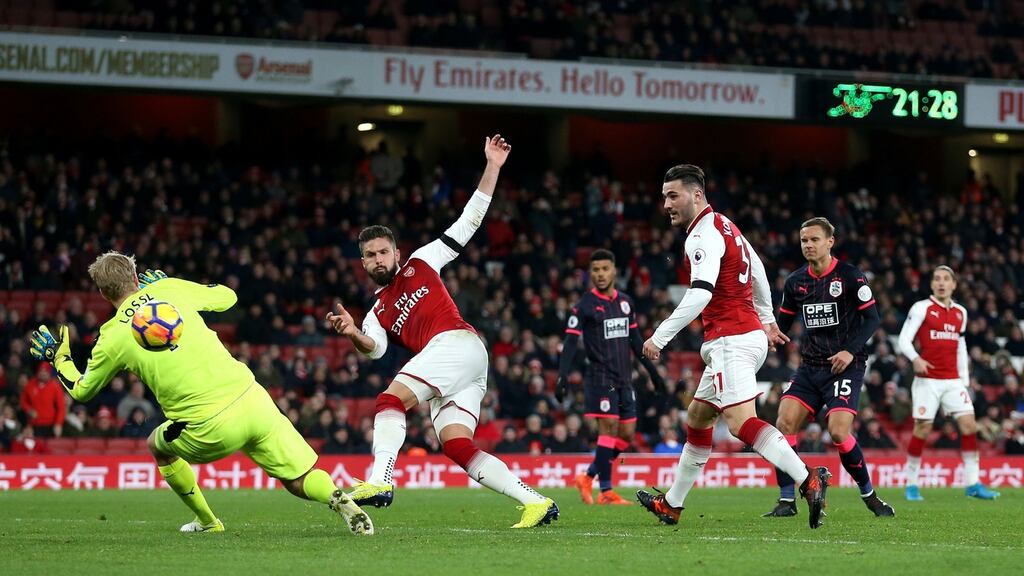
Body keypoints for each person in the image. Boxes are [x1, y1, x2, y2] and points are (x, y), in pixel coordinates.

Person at [29, 253, 373, 535]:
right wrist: (169, 281)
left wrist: (59, 357)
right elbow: (229, 297)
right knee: (298, 478)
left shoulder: (111, 337)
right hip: (252, 398)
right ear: (137, 277)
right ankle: (338, 498)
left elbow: (83, 390)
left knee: (156, 445)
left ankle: (209, 522)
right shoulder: (169, 288)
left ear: (104, 295)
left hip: (208, 427)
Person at [326, 135, 558, 529]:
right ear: (362, 262)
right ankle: (536, 502)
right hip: (461, 366)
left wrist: (493, 167)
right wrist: (351, 332)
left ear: (397, 252)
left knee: (388, 401)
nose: (379, 259)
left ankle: (380, 481)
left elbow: (468, 221)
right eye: (370, 255)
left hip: (456, 343)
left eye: (384, 251)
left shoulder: (422, 261)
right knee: (456, 445)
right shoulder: (375, 313)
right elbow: (374, 349)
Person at [635, 164, 830, 530]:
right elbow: (756, 268)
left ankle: (808, 478)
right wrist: (768, 319)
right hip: (744, 335)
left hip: (731, 339)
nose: (666, 205)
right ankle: (672, 504)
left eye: (673, 196)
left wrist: (659, 336)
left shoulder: (702, 235)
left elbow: (701, 292)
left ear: (696, 195)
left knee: (741, 424)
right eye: (664, 197)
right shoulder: (726, 225)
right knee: (698, 417)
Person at [763, 217, 894, 519]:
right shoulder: (796, 282)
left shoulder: (850, 276)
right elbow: (783, 323)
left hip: (845, 366)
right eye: (804, 240)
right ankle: (787, 500)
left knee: (837, 431)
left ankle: (870, 496)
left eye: (814, 240)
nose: (808, 245)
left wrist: (849, 351)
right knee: (783, 425)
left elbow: (872, 319)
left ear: (830, 242)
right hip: (810, 367)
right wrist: (769, 335)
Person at [556, 249, 665, 505]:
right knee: (608, 429)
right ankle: (606, 491)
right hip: (600, 378)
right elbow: (570, 343)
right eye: (595, 270)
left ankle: (588, 476)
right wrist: (562, 376)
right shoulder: (583, 306)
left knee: (626, 434)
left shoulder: (625, 302)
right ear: (589, 274)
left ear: (614, 270)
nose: (600, 274)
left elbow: (635, 341)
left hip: (624, 379)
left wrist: (653, 373)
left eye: (605, 269)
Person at [897, 266, 1000, 500]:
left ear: (954, 284)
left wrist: (964, 380)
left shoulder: (961, 313)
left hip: (953, 381)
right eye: (937, 279)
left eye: (946, 279)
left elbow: (960, 347)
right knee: (922, 429)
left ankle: (972, 483)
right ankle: (911, 484)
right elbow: (903, 340)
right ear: (932, 284)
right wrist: (916, 359)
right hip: (927, 382)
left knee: (969, 426)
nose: (941, 283)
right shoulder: (922, 308)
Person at [19, 364, 65, 437]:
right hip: (34, 424)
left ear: (49, 373)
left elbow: (61, 407)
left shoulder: (55, 386)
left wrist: (58, 424)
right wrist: (29, 410)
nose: (43, 373)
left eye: (45, 371)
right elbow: (22, 401)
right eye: (41, 371)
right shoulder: (30, 384)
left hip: (50, 424)